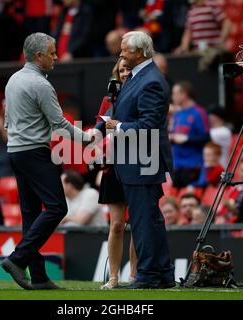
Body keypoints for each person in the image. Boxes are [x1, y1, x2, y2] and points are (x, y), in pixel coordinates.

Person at [2, 32, 90, 290]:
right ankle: (17, 259)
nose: (56, 56)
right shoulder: (41, 85)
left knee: (30, 214)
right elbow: (59, 124)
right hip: (34, 153)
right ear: (38, 56)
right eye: (52, 52)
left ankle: (39, 277)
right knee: (56, 208)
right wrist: (87, 139)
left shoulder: (13, 79)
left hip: (15, 151)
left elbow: (7, 121)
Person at [104, 31, 175, 289]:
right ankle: (164, 273)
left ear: (140, 53)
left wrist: (118, 126)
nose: (121, 54)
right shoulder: (141, 76)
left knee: (144, 221)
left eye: (125, 50)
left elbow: (149, 125)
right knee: (152, 220)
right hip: (137, 161)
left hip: (141, 161)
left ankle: (147, 276)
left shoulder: (151, 80)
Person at [96, 58, 137, 289]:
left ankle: (134, 275)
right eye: (121, 69)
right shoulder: (107, 100)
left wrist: (119, 125)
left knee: (137, 224)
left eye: (128, 69)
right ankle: (113, 277)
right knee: (117, 225)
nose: (124, 73)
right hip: (113, 165)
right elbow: (99, 127)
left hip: (139, 162)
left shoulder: (141, 94)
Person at [170, 81, 210, 188]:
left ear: (184, 94)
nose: (172, 97)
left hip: (193, 165)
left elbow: (206, 138)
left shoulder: (198, 112)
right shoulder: (177, 114)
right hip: (176, 165)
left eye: (174, 93)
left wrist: (187, 139)